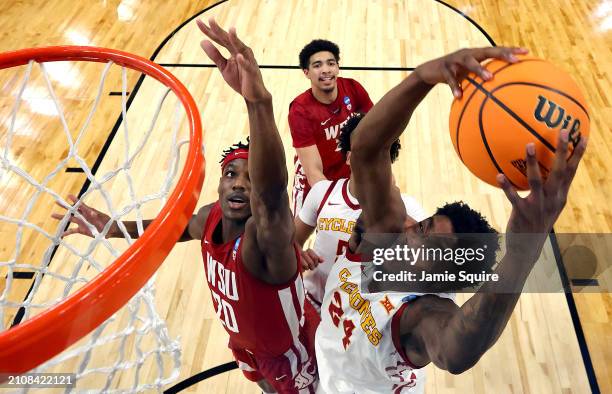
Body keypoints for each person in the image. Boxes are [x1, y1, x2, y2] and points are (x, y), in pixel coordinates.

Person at [53, 18, 318, 394]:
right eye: (231, 174)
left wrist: (256, 101)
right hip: (244, 342)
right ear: (219, 182)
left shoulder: (265, 239)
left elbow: (273, 194)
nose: (240, 182)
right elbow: (170, 229)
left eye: (249, 177)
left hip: (290, 353)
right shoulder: (207, 219)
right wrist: (112, 226)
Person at [315, 46, 587, 393]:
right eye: (425, 226)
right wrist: (421, 78)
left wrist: (523, 253)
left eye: (429, 247)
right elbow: (366, 147)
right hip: (322, 363)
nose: (412, 232)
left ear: (440, 279)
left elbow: (455, 352)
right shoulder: (384, 233)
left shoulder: (422, 313)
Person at [294, 113, 428, 311]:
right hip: (315, 305)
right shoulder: (322, 193)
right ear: (348, 157)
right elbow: (292, 242)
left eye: (379, 153)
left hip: (361, 321)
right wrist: (298, 254)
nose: (370, 159)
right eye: (363, 151)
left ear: (389, 160)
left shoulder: (409, 209)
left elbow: (430, 272)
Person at [289, 39, 374, 215]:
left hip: (347, 174)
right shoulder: (300, 111)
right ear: (306, 72)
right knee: (296, 236)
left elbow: (376, 130)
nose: (326, 70)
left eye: (330, 63)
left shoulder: (352, 88)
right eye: (317, 65)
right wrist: (337, 207)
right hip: (311, 183)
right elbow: (314, 172)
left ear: (337, 68)